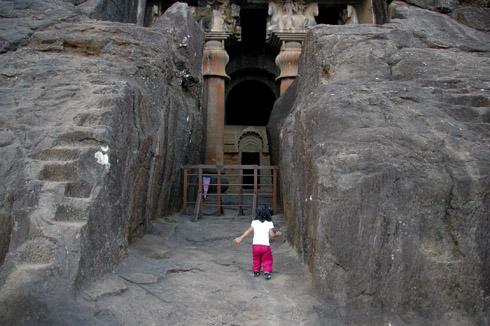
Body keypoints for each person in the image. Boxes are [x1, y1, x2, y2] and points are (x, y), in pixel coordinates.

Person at [234, 207, 282, 280]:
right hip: (265, 246)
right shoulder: (269, 223)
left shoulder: (254, 222)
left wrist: (241, 238)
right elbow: (272, 235)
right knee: (267, 259)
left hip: (255, 246)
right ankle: (267, 272)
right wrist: (277, 234)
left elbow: (248, 231)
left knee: (256, 258)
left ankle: (256, 271)